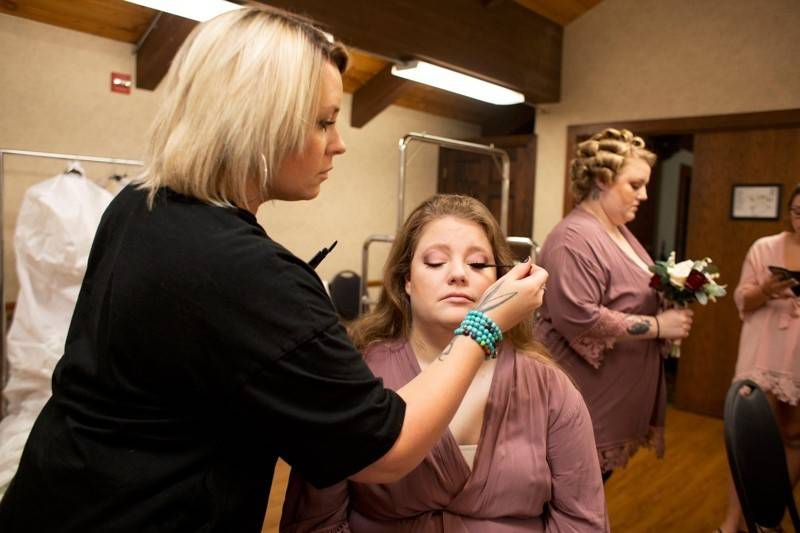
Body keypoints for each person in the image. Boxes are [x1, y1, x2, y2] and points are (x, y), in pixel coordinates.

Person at [0, 8, 546, 532]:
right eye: (324, 122)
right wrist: (486, 324)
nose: (339, 143)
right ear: (258, 123)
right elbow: (387, 449)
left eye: (477, 264)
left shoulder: (141, 205)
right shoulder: (247, 275)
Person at [280, 194, 607, 532]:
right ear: (406, 279)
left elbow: (581, 521)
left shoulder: (549, 387)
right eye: (436, 262)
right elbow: (316, 522)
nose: (457, 274)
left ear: (500, 281)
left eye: (478, 264)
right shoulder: (354, 378)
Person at [534, 128, 694, 480]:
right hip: (582, 397)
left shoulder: (618, 231)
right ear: (603, 180)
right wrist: (658, 326)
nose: (644, 195)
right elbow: (578, 316)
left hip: (613, 399)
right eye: (635, 185)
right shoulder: (572, 239)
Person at [716, 185, 800, 533]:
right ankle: (733, 520)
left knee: (794, 436)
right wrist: (767, 289)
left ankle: (770, 517)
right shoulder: (764, 247)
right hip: (763, 351)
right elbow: (742, 300)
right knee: (750, 440)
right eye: (797, 211)